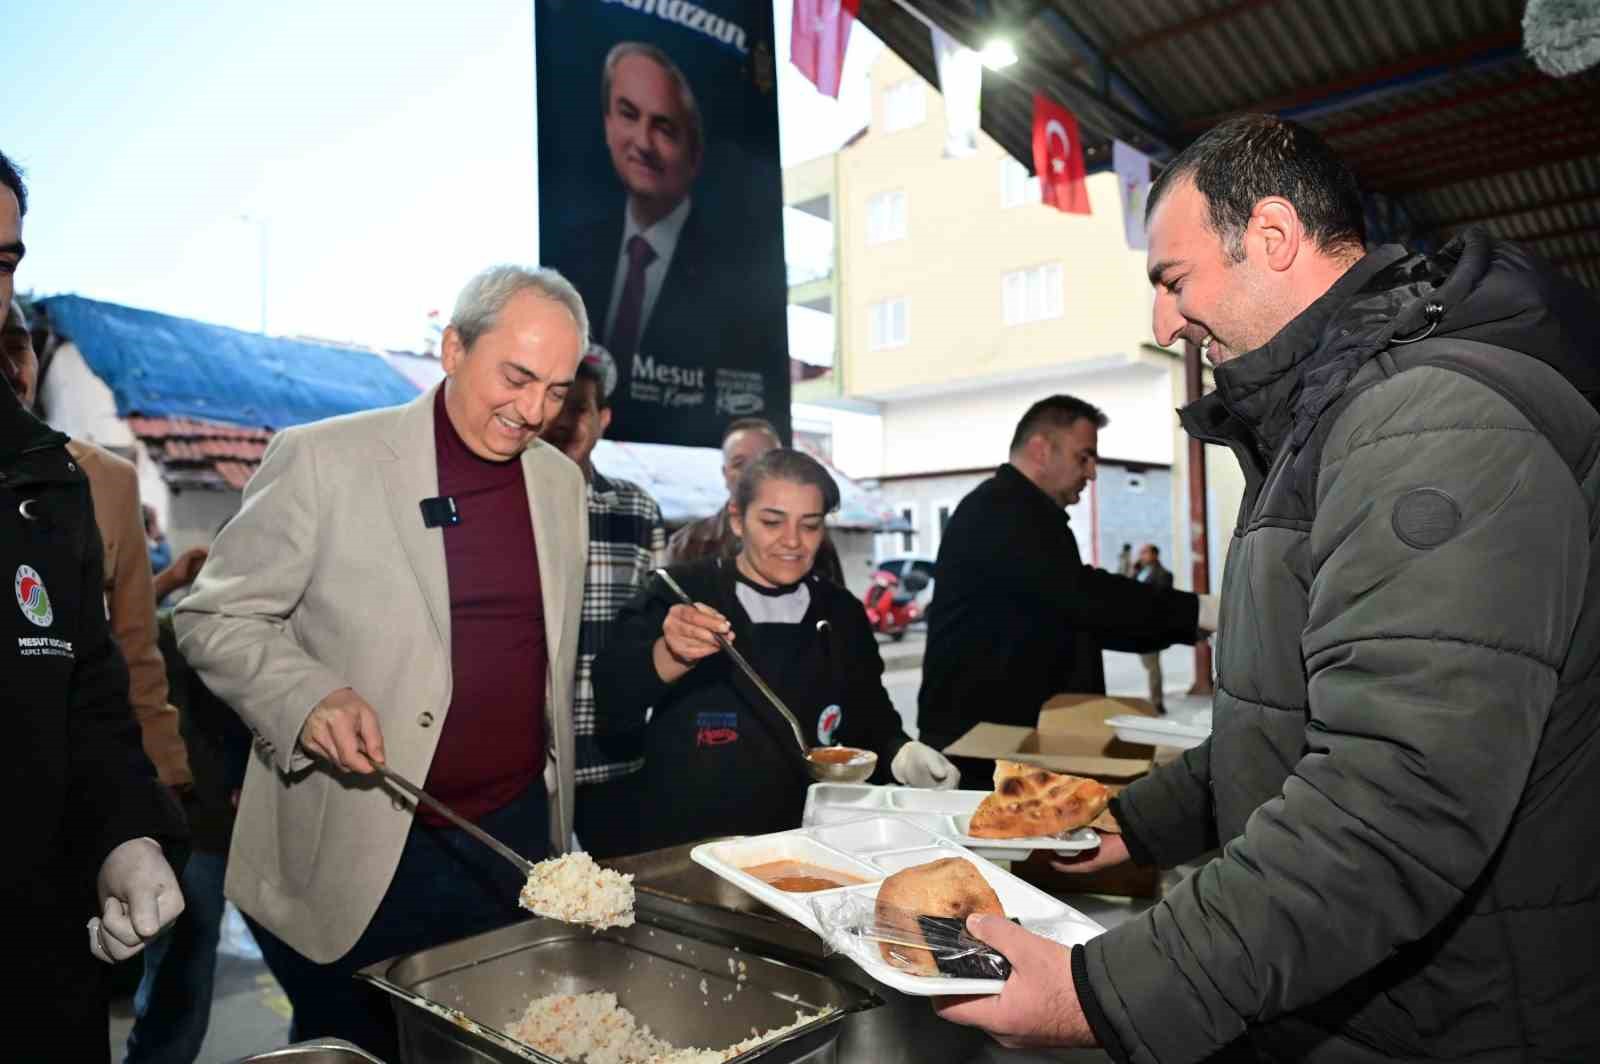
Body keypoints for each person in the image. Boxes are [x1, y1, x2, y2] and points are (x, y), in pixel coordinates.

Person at [936, 114, 1600, 1062]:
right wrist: (1133, 823)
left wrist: (1103, 992)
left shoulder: (1428, 422)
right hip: (1371, 995)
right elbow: (1288, 723)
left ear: (1275, 238)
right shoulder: (1330, 421)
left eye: (1174, 281)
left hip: (1455, 1018)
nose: (1164, 322)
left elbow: (1392, 804)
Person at [175, 265, 589, 1058]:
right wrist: (307, 696)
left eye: (558, 392)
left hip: (511, 842)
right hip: (362, 844)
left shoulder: (559, 483)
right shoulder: (326, 460)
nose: (533, 412)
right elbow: (212, 613)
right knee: (356, 1046)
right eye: (517, 377)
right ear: (453, 348)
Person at [2, 146, 187, 1064]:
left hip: (42, 979)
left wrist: (126, 838)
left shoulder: (55, 484)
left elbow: (92, 703)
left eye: (1, 264)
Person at [594, 448, 958, 855]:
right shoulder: (679, 593)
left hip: (809, 841)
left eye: (810, 526)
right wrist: (670, 654)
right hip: (696, 845)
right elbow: (612, 697)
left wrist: (900, 752)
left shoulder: (841, 611)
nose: (792, 541)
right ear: (737, 519)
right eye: (772, 522)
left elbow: (867, 714)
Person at [916, 396, 1211, 788]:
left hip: (1007, 744)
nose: (1091, 474)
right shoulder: (1001, 512)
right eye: (1083, 457)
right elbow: (1084, 598)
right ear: (1041, 449)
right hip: (982, 753)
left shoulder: (1026, 514)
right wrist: (1198, 612)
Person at [564, 42, 784, 375]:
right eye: (628, 114)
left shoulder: (734, 278)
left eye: (664, 128)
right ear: (607, 122)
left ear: (694, 154)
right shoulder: (574, 252)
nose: (642, 142)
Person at [126, 544, 252, 1064]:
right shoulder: (171, 635)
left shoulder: (256, 640)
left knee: (185, 977)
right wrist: (169, 578)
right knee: (180, 980)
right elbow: (112, 626)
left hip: (232, 828)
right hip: (186, 827)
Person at [541, 348, 667, 859]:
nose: (568, 420)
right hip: (528, 763)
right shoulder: (505, 505)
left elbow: (658, 631)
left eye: (582, 408)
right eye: (560, 405)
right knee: (525, 909)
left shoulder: (636, 510)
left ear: (603, 419)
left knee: (623, 904)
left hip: (613, 755)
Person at [666, 416, 846, 585]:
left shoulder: (817, 544)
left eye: (767, 461)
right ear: (725, 473)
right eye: (739, 463)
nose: (792, 541)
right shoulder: (688, 543)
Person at [1132, 544, 1172, 713]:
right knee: (1147, 663)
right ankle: (1155, 699)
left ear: (1155, 554)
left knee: (1152, 665)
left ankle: (1157, 702)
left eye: (1145, 552)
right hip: (1139, 623)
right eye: (1140, 553)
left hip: (1152, 624)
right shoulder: (1140, 571)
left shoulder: (1164, 575)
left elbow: (1160, 598)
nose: (1141, 555)